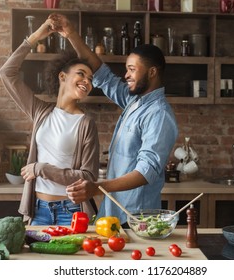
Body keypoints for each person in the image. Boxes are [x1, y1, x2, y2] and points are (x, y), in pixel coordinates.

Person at [50, 14, 179, 225]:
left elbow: (146, 173)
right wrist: (71, 34)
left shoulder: (159, 115)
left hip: (135, 219)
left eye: (132, 69)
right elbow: (103, 75)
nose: (126, 75)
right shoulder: (134, 101)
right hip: (114, 212)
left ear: (152, 72)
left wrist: (97, 186)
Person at [0, 17, 100, 225]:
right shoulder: (40, 112)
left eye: (90, 79)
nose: (87, 82)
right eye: (81, 74)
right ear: (62, 77)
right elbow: (6, 73)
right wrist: (35, 37)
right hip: (38, 210)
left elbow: (88, 177)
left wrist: (41, 169)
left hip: (70, 212)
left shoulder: (85, 123)